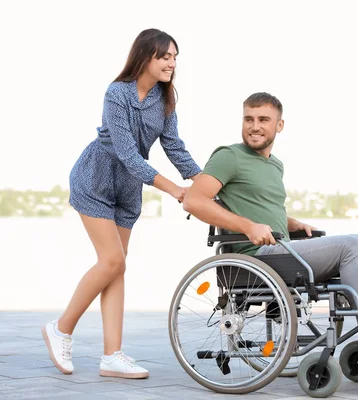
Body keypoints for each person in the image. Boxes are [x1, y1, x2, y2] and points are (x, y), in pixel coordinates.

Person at [182, 92, 358, 364]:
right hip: (255, 258)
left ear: (279, 125)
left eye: (264, 119)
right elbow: (194, 200)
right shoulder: (230, 156)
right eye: (248, 119)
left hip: (281, 250)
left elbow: (255, 205)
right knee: (351, 245)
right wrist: (248, 226)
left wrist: (290, 223)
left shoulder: (275, 165)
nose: (255, 126)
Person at [42, 29, 202, 379]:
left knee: (117, 266)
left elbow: (175, 147)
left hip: (129, 189)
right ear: (145, 56)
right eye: (166, 56)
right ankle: (60, 328)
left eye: (175, 57)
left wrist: (204, 182)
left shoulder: (166, 99)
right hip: (95, 177)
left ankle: (111, 356)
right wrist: (174, 190)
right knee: (111, 260)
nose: (172, 63)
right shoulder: (117, 93)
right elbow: (128, 154)